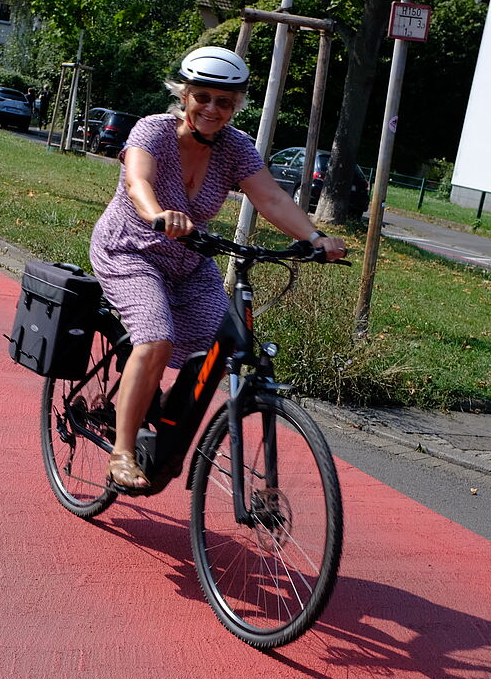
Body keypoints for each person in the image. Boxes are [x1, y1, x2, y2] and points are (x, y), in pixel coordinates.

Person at [89, 45, 347, 491]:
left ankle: (165, 409)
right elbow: (138, 181)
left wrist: (312, 237)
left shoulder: (236, 147)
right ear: (184, 96)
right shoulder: (153, 131)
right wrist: (158, 213)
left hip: (190, 262)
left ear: (236, 106)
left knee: (227, 349)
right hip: (131, 251)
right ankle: (123, 451)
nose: (212, 108)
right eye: (202, 97)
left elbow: (270, 197)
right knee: (155, 341)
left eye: (224, 101)